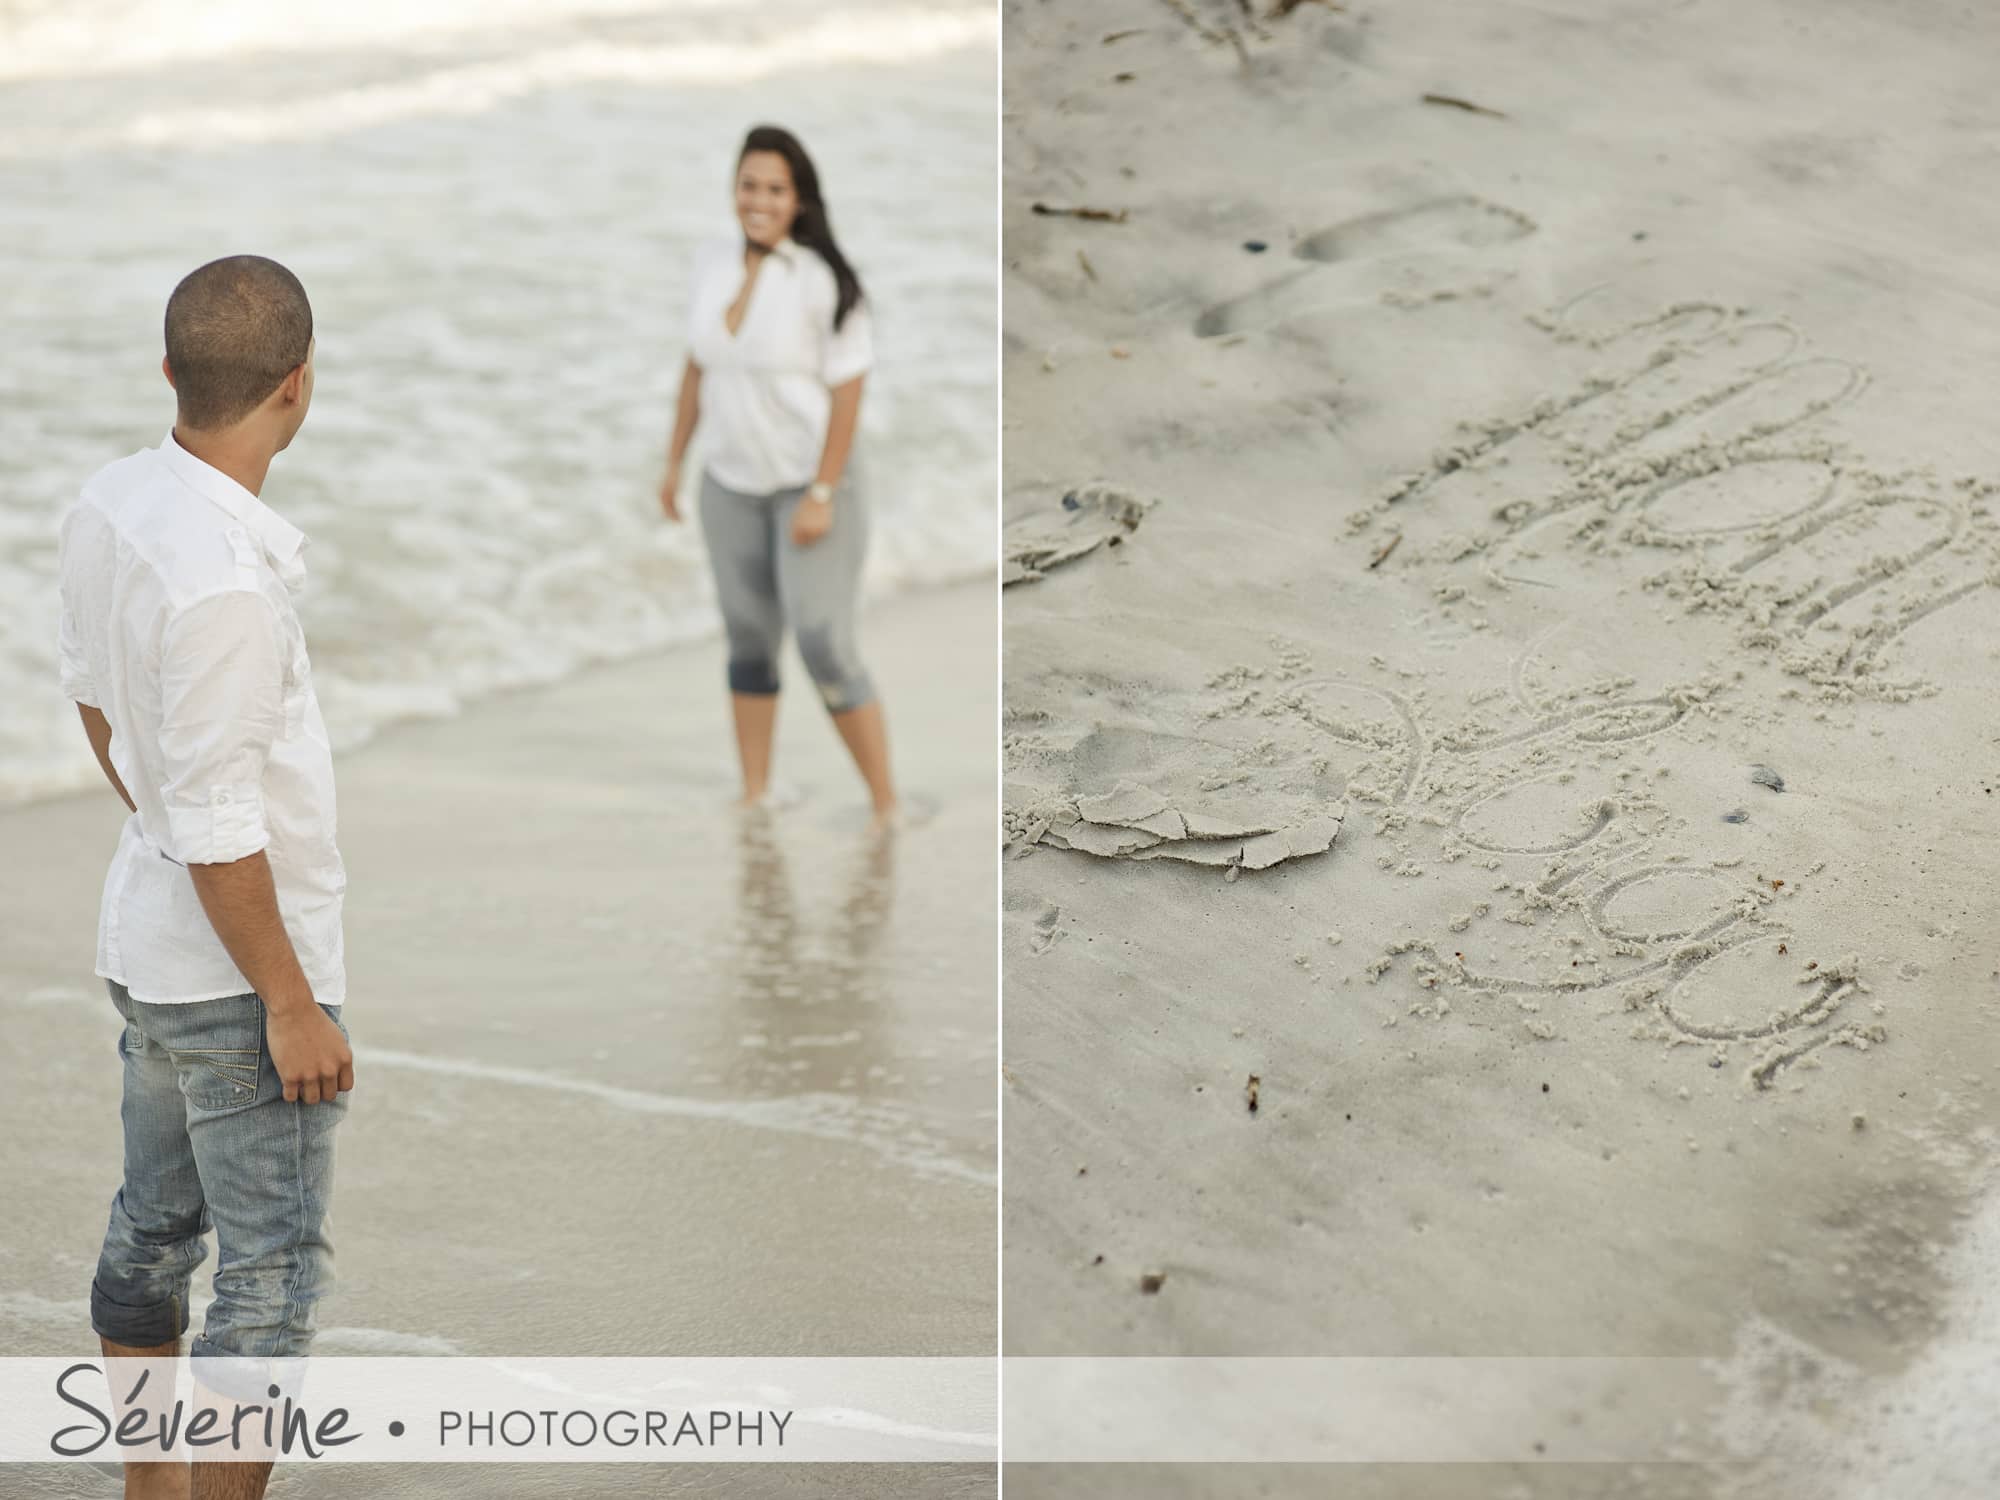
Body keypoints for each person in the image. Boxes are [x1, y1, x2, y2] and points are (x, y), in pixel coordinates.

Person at [56, 254, 354, 1500]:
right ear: (297, 385)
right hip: (239, 979)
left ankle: (150, 1486)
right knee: (266, 1282)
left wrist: (166, 826)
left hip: (150, 943)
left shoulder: (115, 501)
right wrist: (290, 1001)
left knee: (152, 1231)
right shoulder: (229, 583)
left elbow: (94, 703)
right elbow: (227, 828)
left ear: (171, 370)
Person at [659, 124, 897, 826]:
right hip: (728, 483)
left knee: (824, 641)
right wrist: (674, 461)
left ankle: (886, 806)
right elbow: (696, 366)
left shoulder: (823, 281)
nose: (758, 201)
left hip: (809, 484)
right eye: (748, 186)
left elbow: (849, 392)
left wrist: (821, 492)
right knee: (748, 637)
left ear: (798, 200)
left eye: (774, 189)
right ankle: (756, 794)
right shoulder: (711, 262)